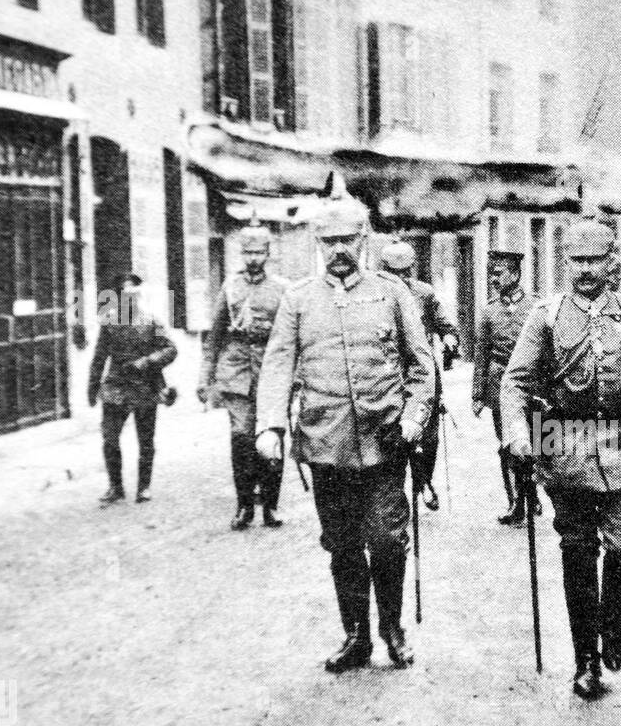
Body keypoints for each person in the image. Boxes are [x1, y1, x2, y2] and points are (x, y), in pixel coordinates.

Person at [254, 177, 435, 673]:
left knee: (386, 539)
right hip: (325, 444)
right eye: (328, 242)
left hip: (384, 442)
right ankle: (355, 635)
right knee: (342, 544)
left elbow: (422, 368)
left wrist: (415, 417)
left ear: (365, 240)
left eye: (347, 241)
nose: (338, 251)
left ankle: (392, 628)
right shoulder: (298, 299)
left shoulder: (392, 293)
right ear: (318, 245)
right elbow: (277, 366)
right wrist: (270, 426)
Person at [501, 220, 621, 700]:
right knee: (577, 550)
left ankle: (610, 622)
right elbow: (516, 381)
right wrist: (517, 431)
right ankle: (585, 660)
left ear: (611, 262)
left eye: (595, 261)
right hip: (563, 443)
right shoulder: (547, 315)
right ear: (565, 263)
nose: (586, 270)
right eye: (577, 261)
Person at [198, 216, 291, 530]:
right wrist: (204, 377)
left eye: (259, 253)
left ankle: (271, 506)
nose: (253, 259)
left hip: (271, 371)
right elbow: (214, 338)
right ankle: (244, 506)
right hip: (236, 372)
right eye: (248, 253)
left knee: (272, 436)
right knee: (241, 439)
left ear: (268, 254)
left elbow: (293, 338)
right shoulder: (230, 286)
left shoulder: (282, 290)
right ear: (242, 255)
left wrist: (298, 376)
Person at [379, 240, 460, 511]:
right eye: (394, 272)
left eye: (405, 272)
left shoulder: (424, 294)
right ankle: (394, 492)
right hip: (389, 374)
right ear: (383, 268)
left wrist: (449, 338)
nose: (400, 278)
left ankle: (424, 481)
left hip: (422, 373)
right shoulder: (376, 296)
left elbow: (444, 323)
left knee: (428, 436)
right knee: (392, 435)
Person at [88, 273, 177, 506]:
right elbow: (99, 356)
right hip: (116, 385)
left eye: (135, 294)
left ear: (140, 295)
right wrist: (92, 386)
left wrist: (145, 362)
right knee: (109, 439)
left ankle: (144, 487)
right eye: (125, 295)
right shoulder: (109, 322)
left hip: (145, 385)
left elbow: (170, 349)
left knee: (146, 440)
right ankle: (115, 487)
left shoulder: (153, 322)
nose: (130, 299)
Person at [473, 249, 534, 525]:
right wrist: (477, 395)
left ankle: (531, 494)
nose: (494, 279)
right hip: (500, 387)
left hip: (533, 385)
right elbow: (481, 355)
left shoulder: (535, 306)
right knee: (508, 444)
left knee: (537, 442)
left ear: (515, 273)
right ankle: (516, 503)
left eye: (498, 274)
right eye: (491, 274)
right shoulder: (488, 311)